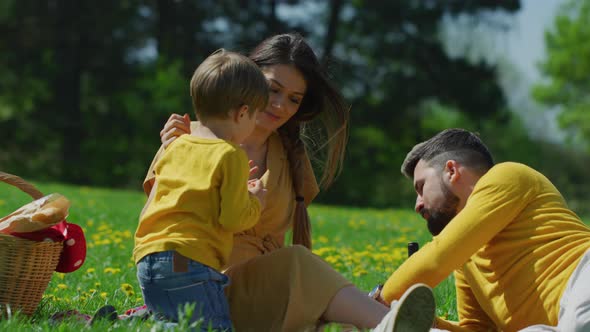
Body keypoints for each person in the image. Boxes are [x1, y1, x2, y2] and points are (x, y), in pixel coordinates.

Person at [148, 33, 436, 331]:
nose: (280, 106)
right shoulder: (188, 138)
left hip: (262, 293)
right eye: (273, 89)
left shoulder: (289, 156)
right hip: (204, 287)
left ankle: (382, 320)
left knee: (306, 275)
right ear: (248, 77)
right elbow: (158, 229)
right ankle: (390, 325)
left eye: (294, 99)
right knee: (299, 262)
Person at [375, 128, 590, 331]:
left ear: (451, 171)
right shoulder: (467, 257)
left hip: (584, 275)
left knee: (577, 325)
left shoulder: (507, 175)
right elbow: (476, 328)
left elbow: (439, 257)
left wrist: (376, 302)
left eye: (421, 187)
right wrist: (420, 323)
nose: (417, 204)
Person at [133, 49, 268, 331]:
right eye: (255, 117)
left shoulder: (177, 145)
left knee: (174, 323)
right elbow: (232, 219)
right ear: (242, 113)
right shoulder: (231, 154)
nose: (254, 125)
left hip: (149, 258)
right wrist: (254, 201)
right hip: (189, 261)